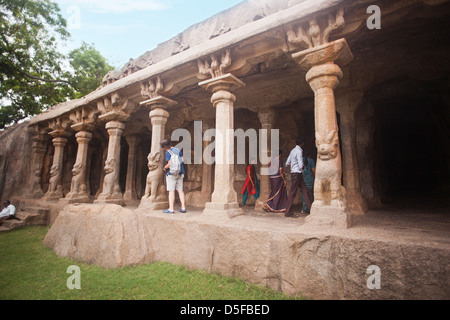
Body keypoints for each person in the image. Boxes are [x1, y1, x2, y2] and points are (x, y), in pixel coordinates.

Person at [285, 137, 313, 218]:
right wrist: (301, 166)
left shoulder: (293, 151)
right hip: (297, 173)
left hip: (295, 173)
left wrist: (293, 166)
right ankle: (288, 212)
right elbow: (300, 164)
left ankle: (311, 209)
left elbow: (287, 163)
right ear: (302, 143)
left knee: (305, 190)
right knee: (293, 193)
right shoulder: (299, 151)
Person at [160, 140, 186, 214]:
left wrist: (165, 167)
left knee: (171, 191)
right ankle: (183, 207)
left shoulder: (168, 152)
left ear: (164, 147)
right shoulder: (178, 150)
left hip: (172, 174)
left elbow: (169, 164)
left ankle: (171, 208)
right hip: (180, 173)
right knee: (180, 190)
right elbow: (182, 160)